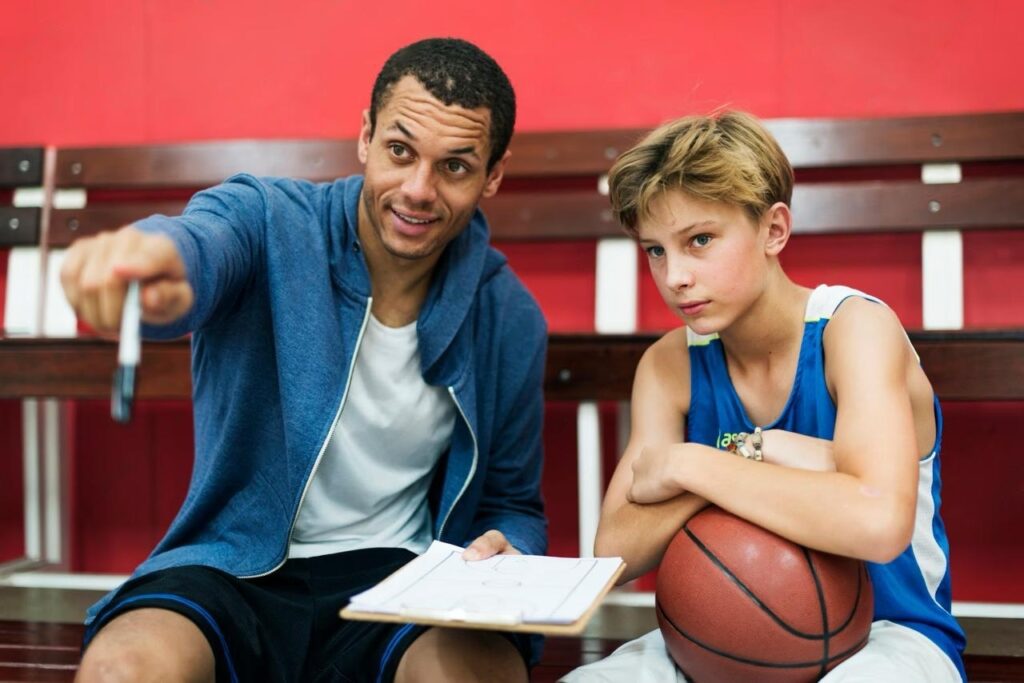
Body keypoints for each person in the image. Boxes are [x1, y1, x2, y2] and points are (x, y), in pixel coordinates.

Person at [62, 37, 546, 683]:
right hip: (234, 565)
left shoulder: (507, 315)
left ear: (493, 175)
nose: (418, 190)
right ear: (366, 137)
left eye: (455, 167)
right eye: (399, 151)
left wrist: (510, 547)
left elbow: (514, 503)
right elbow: (199, 246)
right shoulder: (269, 221)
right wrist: (154, 267)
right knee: (123, 669)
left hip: (402, 581)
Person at [561, 111, 965, 682]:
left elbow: (876, 522)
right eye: (655, 250)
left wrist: (691, 463)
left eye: (699, 240)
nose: (675, 276)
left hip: (888, 637)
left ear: (773, 230)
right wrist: (767, 454)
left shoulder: (855, 330)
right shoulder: (670, 364)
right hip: (714, 641)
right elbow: (616, 550)